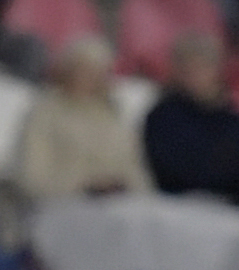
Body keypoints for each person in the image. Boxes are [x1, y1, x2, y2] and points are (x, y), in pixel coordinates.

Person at [142, 32, 239, 209]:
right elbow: (173, 178)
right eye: (190, 68)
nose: (197, 75)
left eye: (204, 67)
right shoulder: (162, 118)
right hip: (187, 212)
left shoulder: (233, 119)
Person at [15, 35, 148, 202]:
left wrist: (124, 186)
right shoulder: (44, 114)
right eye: (85, 71)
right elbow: (32, 178)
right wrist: (86, 185)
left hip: (119, 201)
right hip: (66, 203)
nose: (94, 79)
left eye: (100, 72)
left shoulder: (113, 115)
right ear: (67, 72)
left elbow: (135, 170)